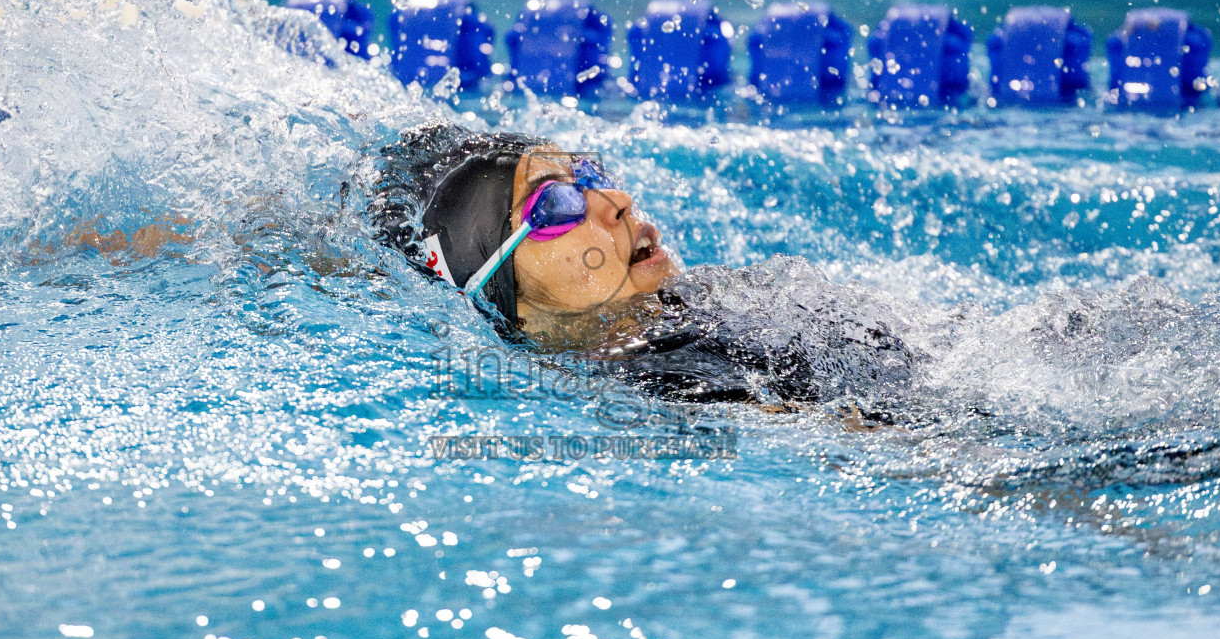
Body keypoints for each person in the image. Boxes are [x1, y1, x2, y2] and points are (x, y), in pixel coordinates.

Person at [371, 122, 920, 419]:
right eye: (555, 205)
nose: (617, 200)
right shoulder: (653, 393)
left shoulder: (722, 297)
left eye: (590, 175)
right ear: (501, 293)